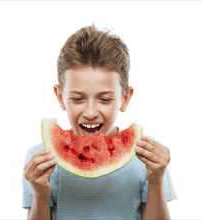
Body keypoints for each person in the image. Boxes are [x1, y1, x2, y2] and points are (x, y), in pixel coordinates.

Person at [22, 25, 176, 220]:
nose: (91, 112)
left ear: (125, 98)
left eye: (104, 99)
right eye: (78, 99)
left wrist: (156, 181)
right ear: (60, 97)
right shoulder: (40, 159)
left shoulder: (147, 156)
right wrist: (40, 194)